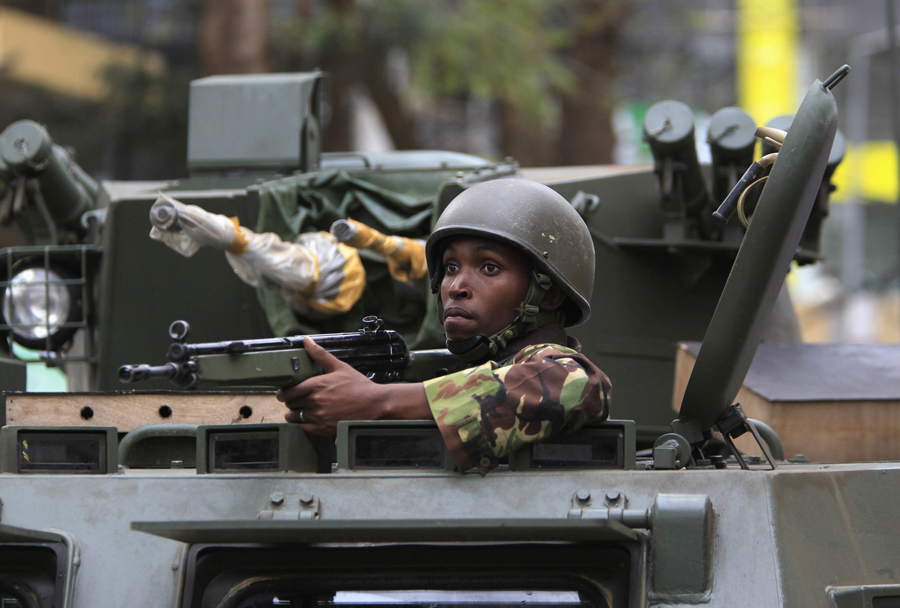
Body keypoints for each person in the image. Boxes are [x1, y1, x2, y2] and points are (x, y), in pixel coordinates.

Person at [277, 178, 611, 474]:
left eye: (489, 268)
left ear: (548, 295)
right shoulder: (458, 376)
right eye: (451, 267)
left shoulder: (558, 370)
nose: (456, 286)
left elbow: (577, 383)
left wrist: (378, 401)